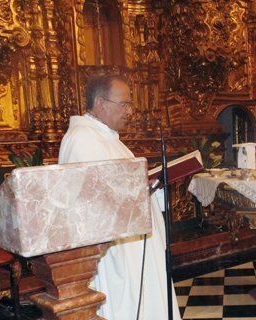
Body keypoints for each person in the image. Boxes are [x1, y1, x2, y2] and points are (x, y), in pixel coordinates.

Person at [58, 74, 181, 320]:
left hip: (133, 246)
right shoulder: (82, 139)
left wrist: (151, 184)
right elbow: (89, 201)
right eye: (124, 104)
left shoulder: (107, 138)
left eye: (130, 104)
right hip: (113, 253)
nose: (130, 111)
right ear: (101, 103)